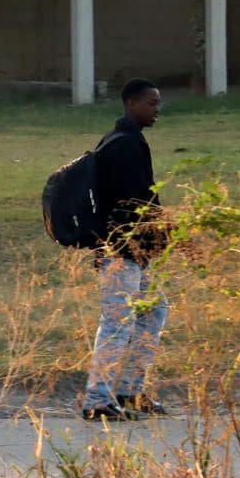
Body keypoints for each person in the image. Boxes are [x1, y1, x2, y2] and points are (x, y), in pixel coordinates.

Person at [82, 79, 171, 421]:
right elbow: (139, 203)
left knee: (154, 310)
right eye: (152, 103)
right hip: (120, 251)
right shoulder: (123, 145)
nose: (157, 109)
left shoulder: (127, 141)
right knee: (117, 323)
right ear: (132, 104)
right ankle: (97, 401)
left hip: (137, 251)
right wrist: (173, 233)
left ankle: (131, 391)